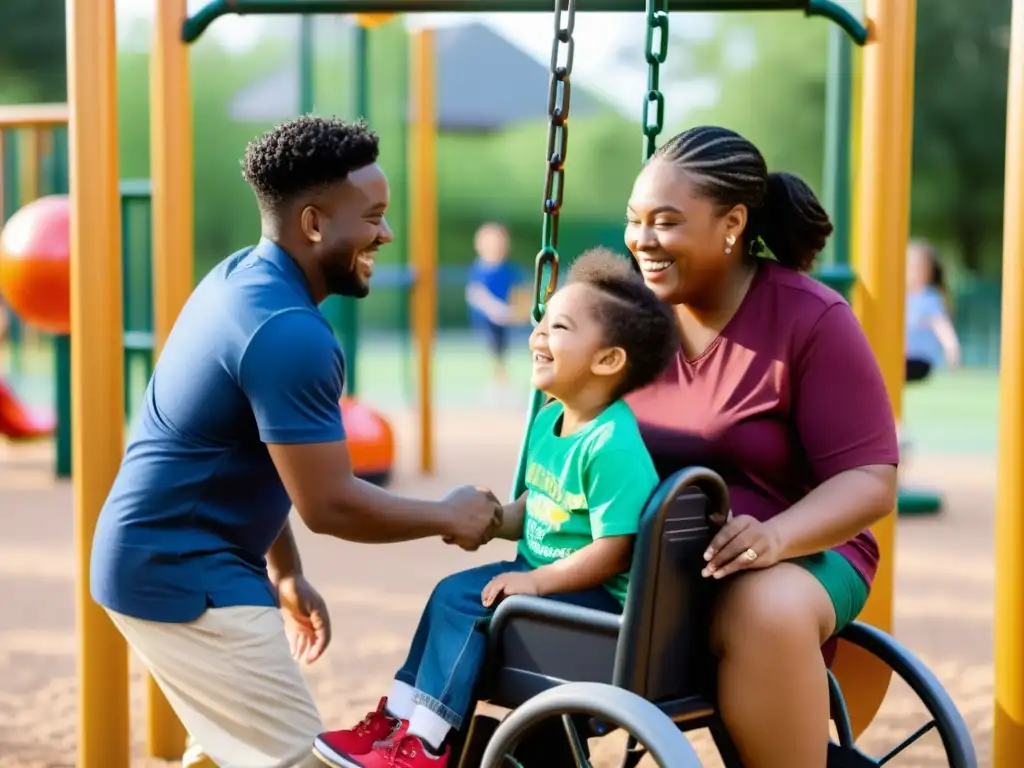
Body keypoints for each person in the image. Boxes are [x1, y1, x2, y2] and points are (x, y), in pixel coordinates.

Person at [89, 116, 504, 768]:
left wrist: (285, 571)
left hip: (163, 560)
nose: (386, 233)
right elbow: (329, 504)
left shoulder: (240, 279)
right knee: (302, 762)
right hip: (184, 577)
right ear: (313, 224)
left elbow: (259, 454)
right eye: (373, 217)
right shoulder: (290, 333)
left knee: (231, 752)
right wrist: (448, 516)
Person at [312, 247, 679, 768]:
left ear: (607, 360)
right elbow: (545, 504)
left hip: (599, 607)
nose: (538, 336)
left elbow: (616, 549)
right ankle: (397, 722)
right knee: (451, 593)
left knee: (464, 602)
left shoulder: (612, 443)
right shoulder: (551, 421)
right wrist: (499, 521)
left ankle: (427, 744)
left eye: (559, 328)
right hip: (549, 579)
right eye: (542, 324)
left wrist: (536, 582)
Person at [621, 126, 899, 768]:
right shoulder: (624, 318)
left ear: (732, 224)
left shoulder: (811, 319)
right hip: (664, 557)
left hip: (805, 548)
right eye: (635, 220)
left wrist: (774, 538)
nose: (643, 241)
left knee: (760, 605)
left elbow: (869, 480)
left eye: (665, 222)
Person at [464, 222, 524, 391]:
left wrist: (514, 311)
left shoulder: (509, 268)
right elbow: (475, 293)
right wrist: (494, 309)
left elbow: (518, 291)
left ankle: (501, 381)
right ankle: (498, 382)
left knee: (502, 349)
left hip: (505, 318)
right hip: (488, 319)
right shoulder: (480, 269)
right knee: (494, 349)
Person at [905, 238, 961, 381]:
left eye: (916, 268)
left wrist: (951, 348)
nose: (911, 272)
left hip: (919, 360)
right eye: (909, 267)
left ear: (928, 271)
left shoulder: (929, 299)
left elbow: (941, 325)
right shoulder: (901, 297)